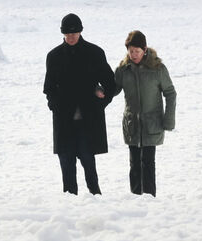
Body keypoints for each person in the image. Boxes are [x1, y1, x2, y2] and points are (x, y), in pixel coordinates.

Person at [43, 13, 116, 195]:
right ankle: (70, 204)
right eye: (67, 34)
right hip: (64, 120)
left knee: (89, 166)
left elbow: (111, 83)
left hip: (88, 120)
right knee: (67, 167)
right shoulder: (54, 56)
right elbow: (48, 88)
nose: (71, 37)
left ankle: (96, 200)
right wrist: (55, 106)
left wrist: (100, 102)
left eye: (74, 33)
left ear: (81, 31)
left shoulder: (95, 53)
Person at [113, 30, 176, 196]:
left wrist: (168, 120)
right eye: (131, 51)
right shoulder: (123, 70)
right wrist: (100, 90)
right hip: (132, 124)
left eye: (137, 51)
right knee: (134, 163)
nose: (134, 55)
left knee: (148, 162)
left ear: (145, 49)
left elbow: (170, 93)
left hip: (152, 124)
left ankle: (149, 198)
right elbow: (113, 89)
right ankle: (135, 198)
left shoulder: (157, 69)